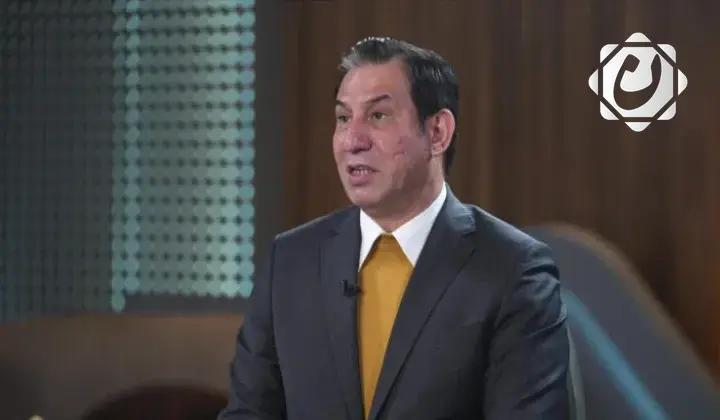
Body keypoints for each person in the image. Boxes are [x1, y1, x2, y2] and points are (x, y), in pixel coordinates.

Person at [218, 37, 570, 420]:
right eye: (343, 118)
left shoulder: (513, 270)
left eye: (378, 116)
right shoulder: (290, 261)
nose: (352, 141)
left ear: (437, 132)